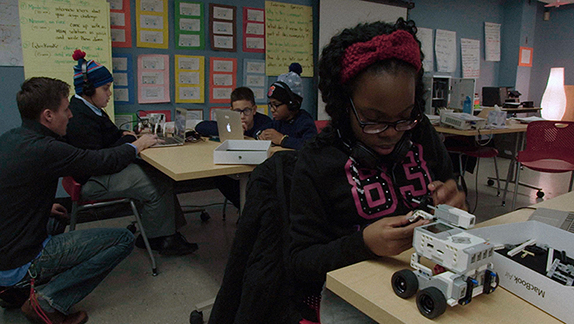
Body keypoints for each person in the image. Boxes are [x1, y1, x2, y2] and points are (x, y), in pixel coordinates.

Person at [288, 18, 466, 323]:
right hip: (357, 299)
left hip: (431, 286)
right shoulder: (316, 162)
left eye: (404, 117)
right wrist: (363, 245)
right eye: (373, 119)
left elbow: (452, 188)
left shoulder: (421, 134)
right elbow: (300, 261)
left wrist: (456, 200)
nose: (391, 133)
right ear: (344, 106)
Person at [0, 77, 159, 324]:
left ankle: (12, 292)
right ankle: (46, 301)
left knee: (57, 215)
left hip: (5, 251)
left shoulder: (12, 137)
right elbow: (103, 162)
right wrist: (138, 145)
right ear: (48, 115)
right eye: (66, 109)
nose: (71, 116)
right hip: (19, 259)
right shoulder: (47, 149)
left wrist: (39, 207)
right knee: (122, 239)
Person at [65, 50, 197, 256]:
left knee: (160, 175)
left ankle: (166, 231)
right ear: (88, 89)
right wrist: (131, 142)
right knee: (156, 185)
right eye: (105, 89)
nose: (109, 93)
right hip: (93, 180)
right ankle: (160, 240)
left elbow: (103, 140)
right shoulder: (80, 118)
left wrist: (126, 135)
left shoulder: (88, 108)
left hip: (98, 171)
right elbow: (99, 158)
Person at [257, 68, 317, 150]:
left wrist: (283, 140)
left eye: (276, 105)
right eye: (271, 104)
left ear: (292, 104)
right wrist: (260, 134)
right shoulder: (278, 121)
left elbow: (311, 146)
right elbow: (258, 129)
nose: (272, 110)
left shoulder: (304, 121)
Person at [195, 87, 271, 138]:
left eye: (246, 110)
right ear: (232, 111)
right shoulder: (230, 122)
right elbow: (200, 127)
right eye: (237, 111)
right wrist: (232, 130)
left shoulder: (265, 122)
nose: (242, 116)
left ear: (254, 110)